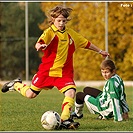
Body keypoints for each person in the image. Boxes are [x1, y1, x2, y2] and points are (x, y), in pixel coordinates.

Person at [1, 5, 109, 129]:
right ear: (53, 20)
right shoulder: (49, 32)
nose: (61, 23)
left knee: (71, 92)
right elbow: (39, 42)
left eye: (64, 20)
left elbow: (86, 43)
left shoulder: (71, 34)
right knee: (31, 94)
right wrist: (39, 46)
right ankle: (15, 85)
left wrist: (100, 51)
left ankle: (65, 119)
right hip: (47, 72)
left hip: (64, 73)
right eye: (59, 20)